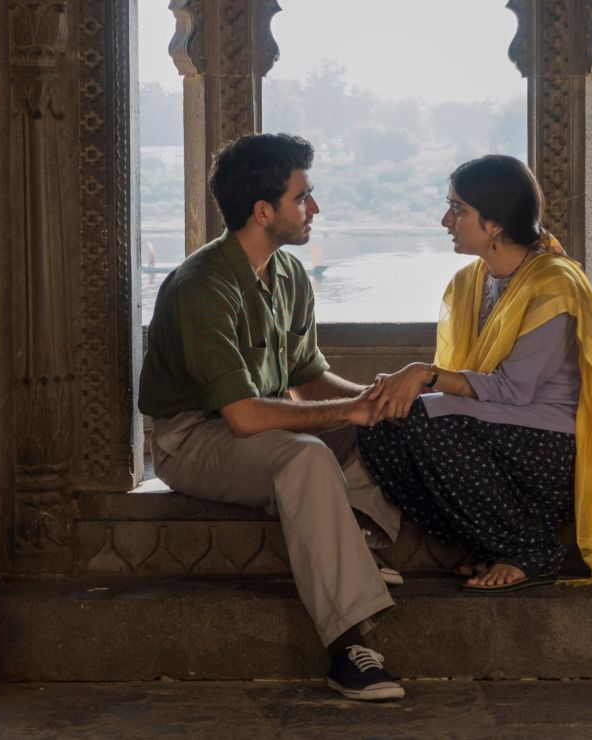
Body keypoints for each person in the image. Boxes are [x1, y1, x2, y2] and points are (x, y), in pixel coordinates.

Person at [138, 133, 407, 701]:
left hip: (256, 429)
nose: (315, 209)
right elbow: (241, 416)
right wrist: (351, 409)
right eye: (303, 197)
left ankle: (355, 537)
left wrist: (373, 400)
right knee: (306, 456)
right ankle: (346, 647)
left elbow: (308, 376)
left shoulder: (289, 275)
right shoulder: (202, 286)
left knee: (387, 420)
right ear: (264, 211)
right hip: (191, 438)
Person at [358, 154, 592, 592]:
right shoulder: (473, 281)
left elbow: (514, 390)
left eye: (458, 209)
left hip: (550, 453)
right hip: (500, 435)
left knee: (421, 417)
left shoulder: (553, 284)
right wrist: (408, 384)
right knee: (380, 421)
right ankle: (487, 542)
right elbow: (472, 385)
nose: (446, 220)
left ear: (495, 224)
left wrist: (425, 374)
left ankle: (530, 550)